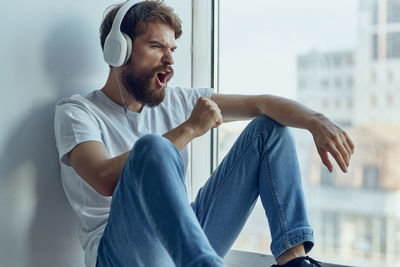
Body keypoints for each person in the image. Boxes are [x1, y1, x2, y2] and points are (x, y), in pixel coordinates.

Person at [54, 1, 354, 267]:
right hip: (122, 253)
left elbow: (261, 103)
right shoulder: (77, 112)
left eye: (172, 50)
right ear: (119, 50)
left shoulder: (177, 100)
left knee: (268, 129)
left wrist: (317, 121)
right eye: (157, 47)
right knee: (152, 148)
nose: (169, 60)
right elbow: (103, 178)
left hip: (182, 245)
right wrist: (191, 128)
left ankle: (294, 261)